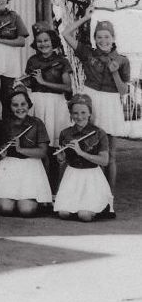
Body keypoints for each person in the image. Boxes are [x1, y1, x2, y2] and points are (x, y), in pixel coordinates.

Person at [63, 7, 129, 191]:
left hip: (111, 102)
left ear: (113, 38)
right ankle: (92, 191)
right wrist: (86, 18)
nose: (103, 40)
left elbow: (123, 91)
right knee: (89, 146)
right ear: (95, 39)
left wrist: (115, 73)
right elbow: (66, 33)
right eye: (99, 37)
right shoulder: (88, 53)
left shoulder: (122, 60)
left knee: (110, 153)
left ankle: (109, 197)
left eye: (107, 36)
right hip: (91, 98)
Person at [0, 88, 51, 217]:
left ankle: (27, 201)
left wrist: (20, 149)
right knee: (5, 209)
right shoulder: (4, 124)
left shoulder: (37, 123)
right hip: (8, 168)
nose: (20, 108)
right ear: (9, 107)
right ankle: (5, 199)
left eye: (23, 104)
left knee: (26, 210)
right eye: (15, 105)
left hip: (30, 167)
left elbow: (43, 152)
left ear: (29, 105)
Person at [54, 94, 113, 222]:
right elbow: (62, 161)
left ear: (90, 113)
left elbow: (104, 161)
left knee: (84, 216)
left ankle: (101, 206)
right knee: (63, 213)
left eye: (83, 112)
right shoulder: (65, 133)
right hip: (72, 176)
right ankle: (80, 206)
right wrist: (61, 158)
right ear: (70, 113)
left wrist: (81, 153)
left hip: (92, 177)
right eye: (75, 113)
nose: (79, 117)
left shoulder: (99, 133)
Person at [24, 24, 73, 148]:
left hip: (55, 103)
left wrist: (43, 82)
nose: (43, 44)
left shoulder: (62, 61)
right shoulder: (32, 60)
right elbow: (30, 83)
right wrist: (21, 83)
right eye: (39, 41)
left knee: (55, 143)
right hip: (37, 103)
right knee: (37, 141)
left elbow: (67, 87)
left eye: (46, 40)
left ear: (53, 41)